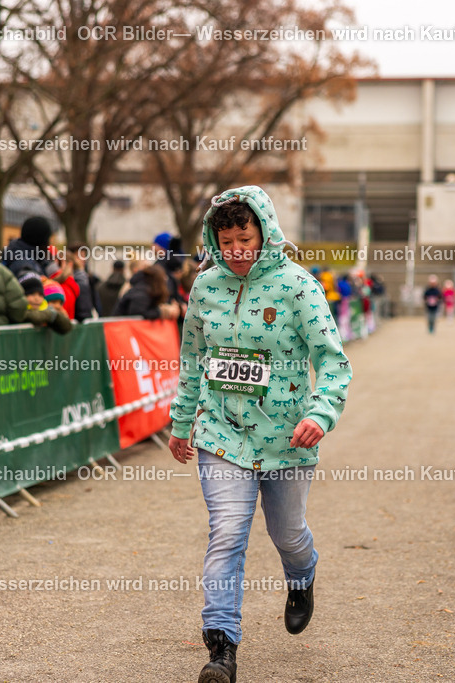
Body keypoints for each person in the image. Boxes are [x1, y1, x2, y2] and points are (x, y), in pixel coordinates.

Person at [167, 186, 351, 683]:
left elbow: (332, 361)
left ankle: (302, 575)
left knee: (287, 534)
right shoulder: (204, 288)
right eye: (225, 242)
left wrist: (321, 413)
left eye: (244, 239)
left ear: (265, 233)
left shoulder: (298, 286)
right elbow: (192, 361)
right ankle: (221, 647)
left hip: (287, 438)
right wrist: (181, 423)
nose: (236, 251)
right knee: (227, 533)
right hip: (220, 433)